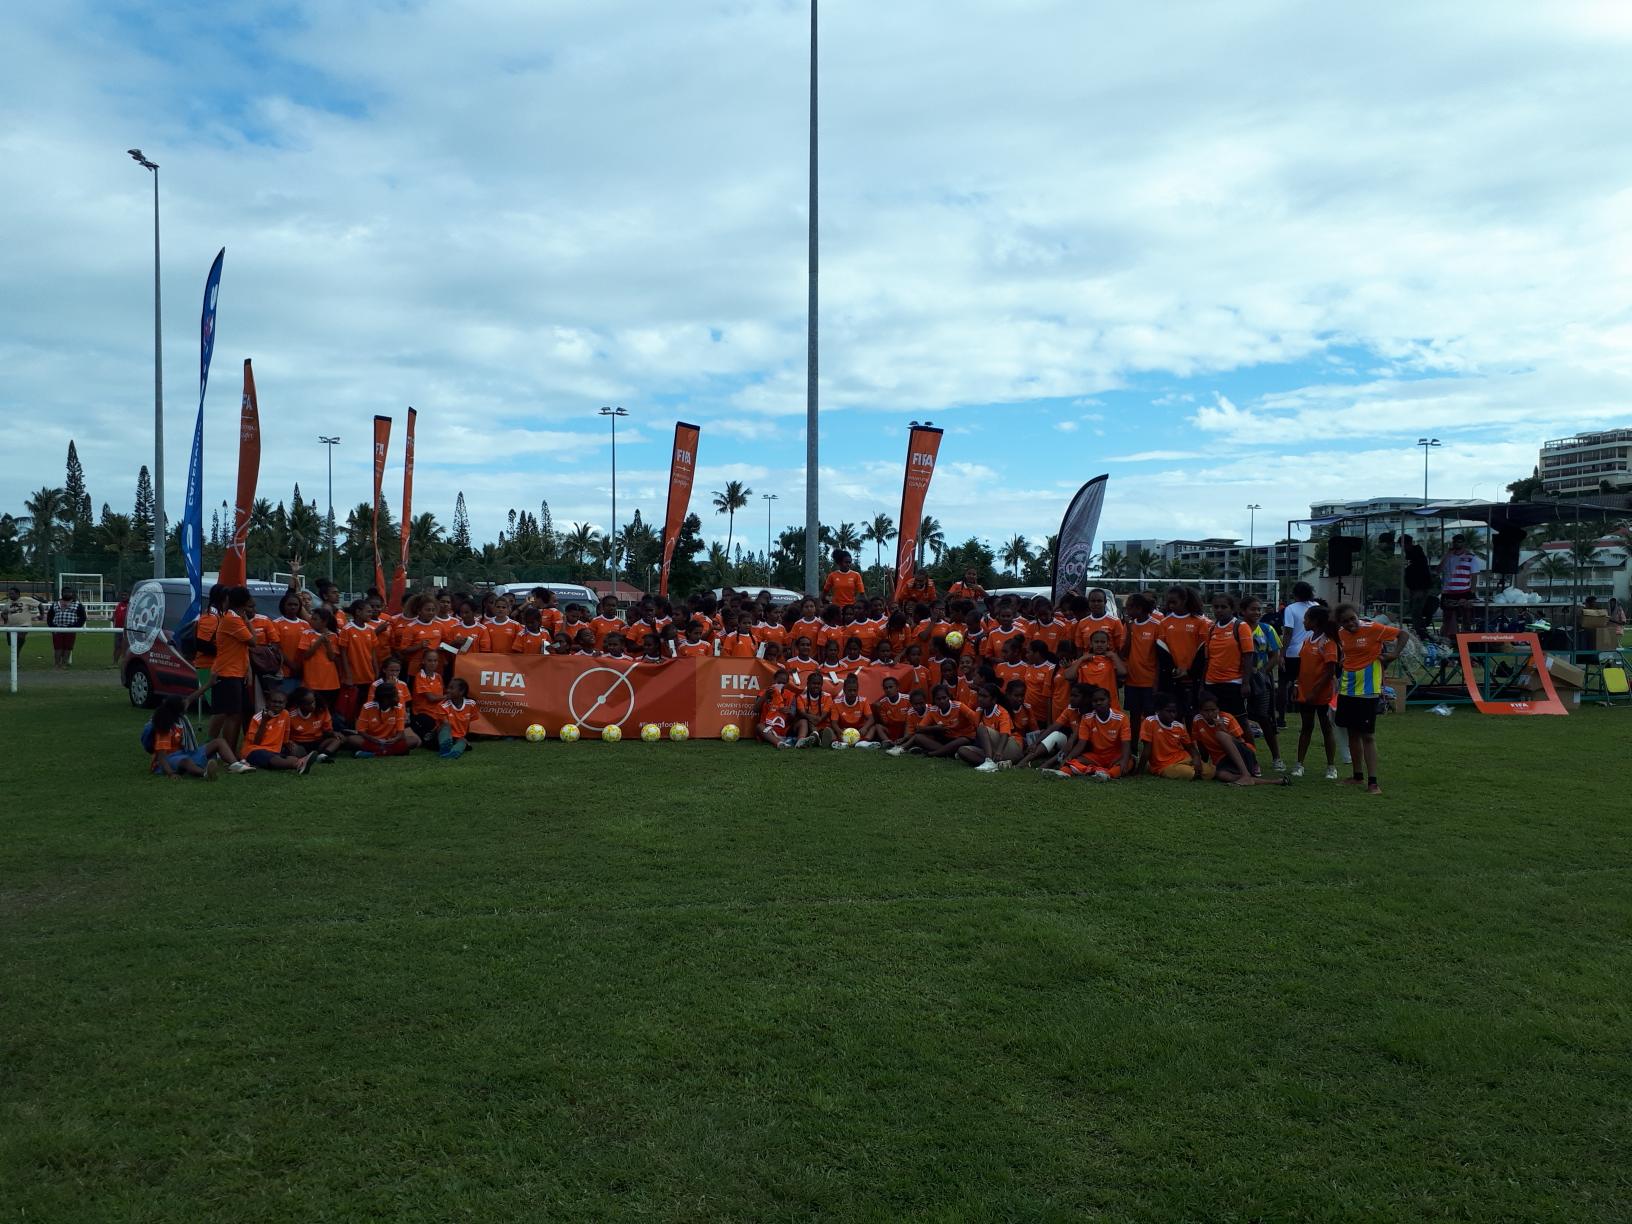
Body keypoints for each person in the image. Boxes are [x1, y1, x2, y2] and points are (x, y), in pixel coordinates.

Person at [1334, 602, 1401, 794]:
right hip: (1347, 689)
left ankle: (1373, 782)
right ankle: (1357, 776)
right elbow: (1349, 652)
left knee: (1368, 735)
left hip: (1368, 689)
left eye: (1352, 619)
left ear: (1358, 616)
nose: (1350, 623)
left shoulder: (1374, 629)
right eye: (1345, 621)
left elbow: (1401, 634)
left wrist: (1393, 655)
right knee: (1352, 733)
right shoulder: (1341, 634)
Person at [1191, 690, 1285, 786]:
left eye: (1213, 710)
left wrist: (1224, 730)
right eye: (1206, 711)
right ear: (1200, 711)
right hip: (1222, 760)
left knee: (1221, 735)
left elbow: (1240, 742)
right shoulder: (1197, 720)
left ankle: (1245, 773)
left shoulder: (1227, 718)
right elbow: (1198, 743)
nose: (1210, 713)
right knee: (1222, 775)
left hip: (1243, 754)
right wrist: (1200, 760)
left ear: (1218, 709)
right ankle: (1271, 781)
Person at [1042, 686, 1132, 780]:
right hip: (1096, 756)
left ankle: (1107, 774)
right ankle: (1063, 772)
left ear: (1109, 701)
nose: (1099, 703)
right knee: (1072, 762)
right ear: (1092, 703)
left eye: (1102, 699)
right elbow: (1081, 743)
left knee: (1128, 762)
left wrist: (1124, 760)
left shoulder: (1121, 718)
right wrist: (1069, 757)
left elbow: (1126, 743)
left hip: (1115, 756)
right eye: (1095, 701)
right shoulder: (1087, 718)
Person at [1291, 604, 1339, 780]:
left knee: (1326, 728)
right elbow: (1303, 668)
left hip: (1322, 694)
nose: (1304, 621)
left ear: (1315, 621)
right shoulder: (1307, 639)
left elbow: (1329, 671)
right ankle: (1299, 764)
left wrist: (1315, 691)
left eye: (1306, 618)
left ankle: (1331, 767)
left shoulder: (1328, 642)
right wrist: (1297, 686)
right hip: (1306, 693)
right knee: (1306, 727)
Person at [146, 696, 246, 779]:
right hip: (170, 758)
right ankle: (205, 773)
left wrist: (209, 684)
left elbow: (193, 697)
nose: (186, 705)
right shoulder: (165, 727)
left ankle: (235, 765)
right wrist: (171, 773)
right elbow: (161, 757)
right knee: (186, 761)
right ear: (177, 709)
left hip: (186, 752)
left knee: (219, 742)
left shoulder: (181, 721)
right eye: (182, 704)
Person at [1133, 693, 1212, 780]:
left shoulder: (1179, 726)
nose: (1172, 715)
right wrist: (1139, 772)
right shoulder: (1150, 722)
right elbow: (1146, 750)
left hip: (1183, 758)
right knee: (1190, 773)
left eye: (1174, 712)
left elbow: (1191, 747)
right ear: (1158, 710)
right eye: (1168, 711)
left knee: (1210, 772)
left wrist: (1196, 758)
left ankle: (1193, 769)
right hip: (1164, 764)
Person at [242, 687, 315, 773]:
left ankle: (300, 761)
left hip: (275, 750)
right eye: (274, 701)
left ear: (285, 704)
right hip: (255, 750)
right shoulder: (258, 718)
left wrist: (287, 743)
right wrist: (264, 721)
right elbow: (256, 742)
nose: (277, 704)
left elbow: (286, 732)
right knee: (274, 759)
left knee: (291, 756)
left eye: (280, 702)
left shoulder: (285, 714)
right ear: (268, 702)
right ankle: (298, 765)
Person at [1279, 581, 1317, 729]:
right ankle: (1308, 719)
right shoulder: (1316, 607)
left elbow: (1287, 632)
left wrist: (1282, 653)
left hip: (1293, 652)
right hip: (1311, 652)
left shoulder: (1290, 609)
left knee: (1283, 683)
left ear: (1295, 594)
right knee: (1307, 685)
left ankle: (1281, 719)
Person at [346, 681, 420, 757]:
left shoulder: (399, 707)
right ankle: (390, 752)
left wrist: (394, 740)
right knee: (351, 739)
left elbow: (400, 732)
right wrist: (374, 740)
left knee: (413, 741)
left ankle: (376, 753)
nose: (398, 698)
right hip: (372, 740)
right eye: (395, 695)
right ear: (385, 699)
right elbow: (361, 731)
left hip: (391, 741)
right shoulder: (367, 707)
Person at [1438, 534, 1484, 641]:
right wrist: (1446, 556)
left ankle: (1466, 639)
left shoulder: (1471, 557)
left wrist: (1472, 592)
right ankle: (1448, 639)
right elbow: (1438, 570)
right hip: (1448, 592)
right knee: (1448, 618)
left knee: (1466, 617)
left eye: (1459, 542)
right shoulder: (1448, 557)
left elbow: (1474, 576)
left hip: (1464, 591)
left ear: (1464, 543)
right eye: (1455, 542)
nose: (1457, 544)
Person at [288, 687, 343, 762]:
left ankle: (323, 755)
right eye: (308, 704)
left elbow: (327, 730)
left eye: (313, 702)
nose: (312, 705)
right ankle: (307, 757)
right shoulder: (290, 714)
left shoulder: (321, 710)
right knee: (294, 750)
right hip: (299, 742)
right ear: (299, 704)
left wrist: (333, 733)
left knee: (337, 740)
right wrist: (290, 742)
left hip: (317, 741)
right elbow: (285, 733)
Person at [46, 586, 87, 669]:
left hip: (70, 629)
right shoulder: (55, 604)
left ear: (72, 593)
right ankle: (57, 664)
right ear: (62, 593)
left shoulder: (78, 604)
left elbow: (82, 617)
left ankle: (64, 663)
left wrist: (75, 626)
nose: (67, 594)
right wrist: (52, 626)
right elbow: (49, 616)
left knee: (68, 647)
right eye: (65, 592)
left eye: (69, 592)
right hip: (57, 629)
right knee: (57, 647)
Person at [435, 678, 478, 758]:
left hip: (459, 737)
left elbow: (469, 725)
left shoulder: (471, 704)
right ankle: (445, 747)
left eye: (451, 688)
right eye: (448, 688)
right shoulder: (442, 705)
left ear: (461, 691)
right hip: (442, 736)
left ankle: (454, 752)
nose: (448, 690)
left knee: (462, 741)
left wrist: (464, 738)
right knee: (446, 726)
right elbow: (444, 724)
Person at [1402, 534, 1434, 639]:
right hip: (1414, 588)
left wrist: (1420, 589)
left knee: (1416, 612)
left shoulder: (1417, 555)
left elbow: (1421, 573)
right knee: (1414, 612)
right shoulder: (1410, 555)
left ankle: (1421, 634)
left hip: (1419, 588)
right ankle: (1419, 632)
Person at [2, 586, 38, 654]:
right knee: (11, 643)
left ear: (18, 594)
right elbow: (4, 613)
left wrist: (41, 615)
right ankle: (15, 655)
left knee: (20, 638)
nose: (10, 595)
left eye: (12, 594)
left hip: (24, 624)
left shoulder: (26, 599)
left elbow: (39, 604)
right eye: (9, 594)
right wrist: (5, 618)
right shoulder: (8, 602)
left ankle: (16, 655)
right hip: (11, 625)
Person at [112, 590, 129, 663]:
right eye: (122, 595)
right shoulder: (119, 604)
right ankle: (115, 662)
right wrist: (112, 618)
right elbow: (115, 614)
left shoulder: (131, 605)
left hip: (127, 629)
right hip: (118, 628)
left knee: (125, 646)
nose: (123, 597)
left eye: (125, 595)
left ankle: (125, 662)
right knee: (117, 646)